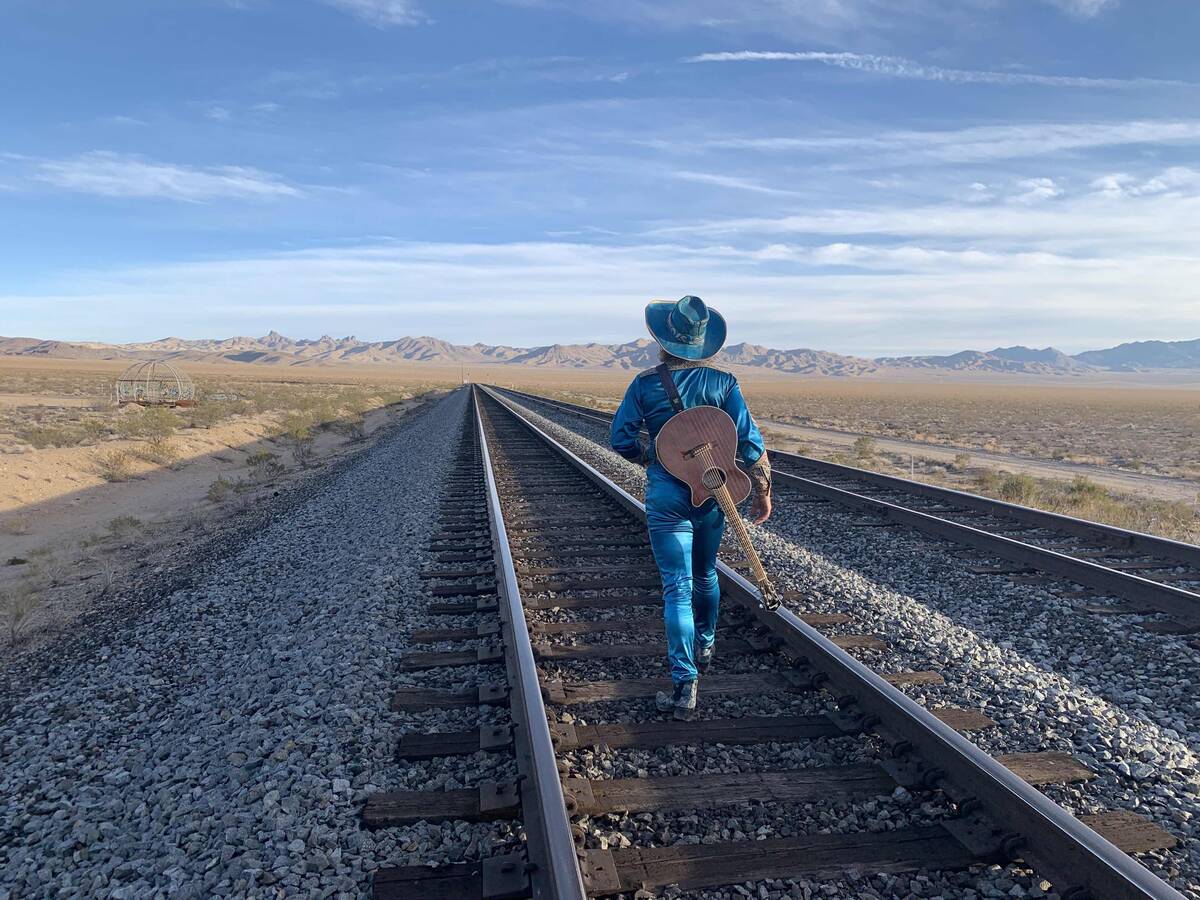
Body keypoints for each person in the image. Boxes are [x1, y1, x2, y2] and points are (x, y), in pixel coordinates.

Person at [610, 296, 772, 721]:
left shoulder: (645, 384)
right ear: (703, 344)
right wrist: (762, 488)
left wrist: (655, 457)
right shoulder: (724, 383)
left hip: (667, 495)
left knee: (675, 587)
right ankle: (707, 642)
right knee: (705, 573)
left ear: (663, 340)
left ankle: (684, 685)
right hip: (713, 490)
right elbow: (750, 443)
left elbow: (621, 438)